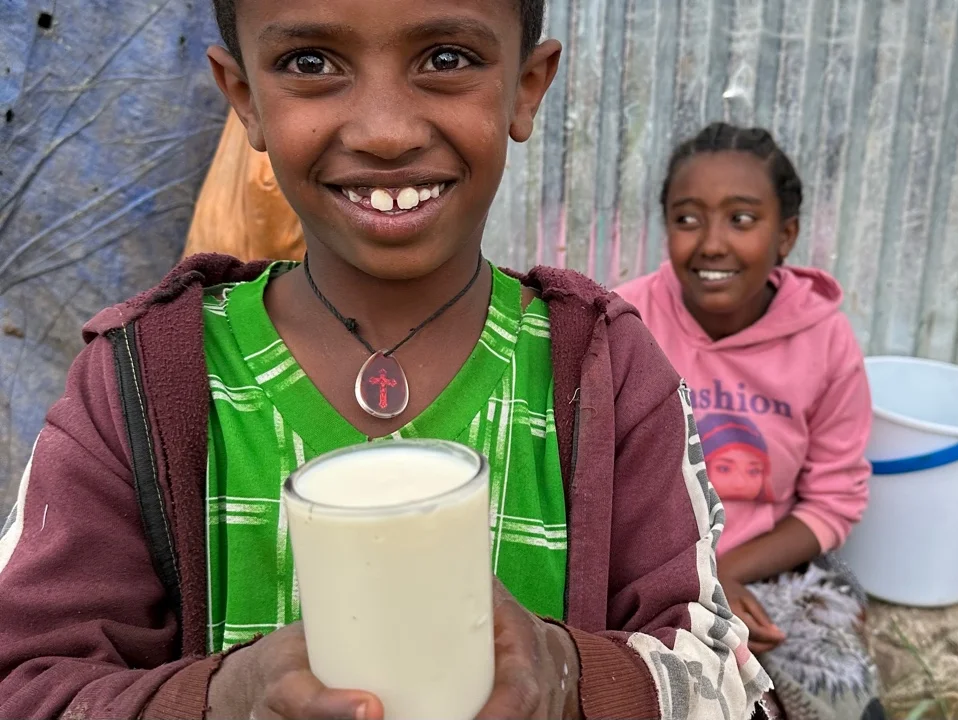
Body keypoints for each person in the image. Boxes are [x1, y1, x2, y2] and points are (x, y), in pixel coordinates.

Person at [0, 4, 771, 719]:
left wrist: (566, 673)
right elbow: (26, 681)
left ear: (525, 87)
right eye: (309, 63)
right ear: (243, 98)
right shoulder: (142, 380)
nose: (385, 131)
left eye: (445, 56)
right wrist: (223, 698)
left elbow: (720, 678)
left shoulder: (602, 372)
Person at [616, 123, 883, 720]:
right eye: (688, 219)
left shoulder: (825, 340)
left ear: (785, 235)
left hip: (766, 570)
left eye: (742, 219)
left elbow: (835, 500)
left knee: (839, 701)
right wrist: (694, 582)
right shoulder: (624, 323)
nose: (712, 244)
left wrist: (727, 571)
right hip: (643, 572)